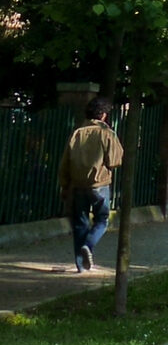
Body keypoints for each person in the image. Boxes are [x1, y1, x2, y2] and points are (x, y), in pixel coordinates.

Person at [57, 96, 122, 272]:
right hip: (99, 184)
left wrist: (64, 185)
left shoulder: (77, 133)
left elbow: (65, 162)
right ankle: (88, 244)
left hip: (77, 185)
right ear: (102, 115)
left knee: (80, 223)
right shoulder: (106, 133)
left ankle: (81, 266)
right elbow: (115, 161)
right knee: (102, 219)